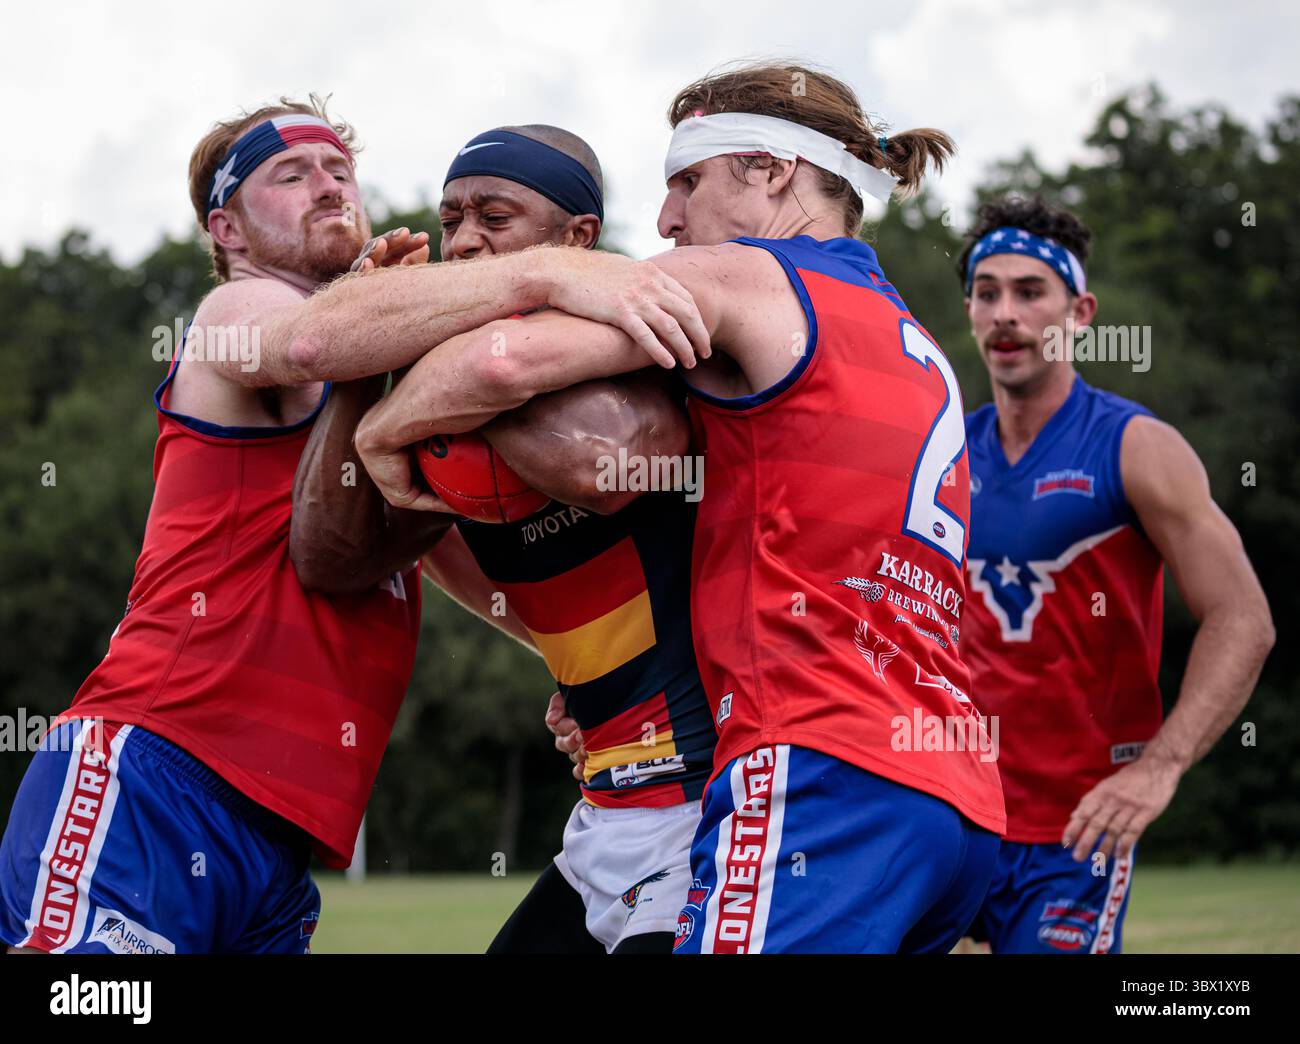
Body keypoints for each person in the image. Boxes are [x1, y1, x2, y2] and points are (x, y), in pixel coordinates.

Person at [0, 97, 703, 954]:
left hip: (276, 842)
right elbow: (305, 346)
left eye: (339, 169)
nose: (327, 185)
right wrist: (551, 273)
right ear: (227, 228)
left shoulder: (411, 399)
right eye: (291, 176)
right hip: (157, 768)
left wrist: (591, 679)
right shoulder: (235, 315)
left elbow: (458, 571)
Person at [354, 62, 1007, 953]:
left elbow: (498, 365)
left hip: (817, 767)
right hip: (952, 793)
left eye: (688, 182)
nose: (665, 222)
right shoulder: (911, 341)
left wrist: (381, 423)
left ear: (772, 170)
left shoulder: (749, 279)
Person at [291, 124, 712, 954]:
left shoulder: (640, 343)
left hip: (705, 809)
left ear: (576, 240)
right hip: (606, 814)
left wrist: (462, 371)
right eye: (451, 220)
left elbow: (606, 465)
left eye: (496, 216)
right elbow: (331, 558)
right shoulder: (437, 403)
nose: (466, 240)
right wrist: (361, 377)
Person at [955, 195, 1274, 953]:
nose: (1007, 313)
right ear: (968, 307)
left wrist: (1160, 768)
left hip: (1075, 835)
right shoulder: (942, 452)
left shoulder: (1135, 447)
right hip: (952, 819)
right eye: (988, 291)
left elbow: (1244, 619)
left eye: (1031, 292)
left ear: (1081, 311)